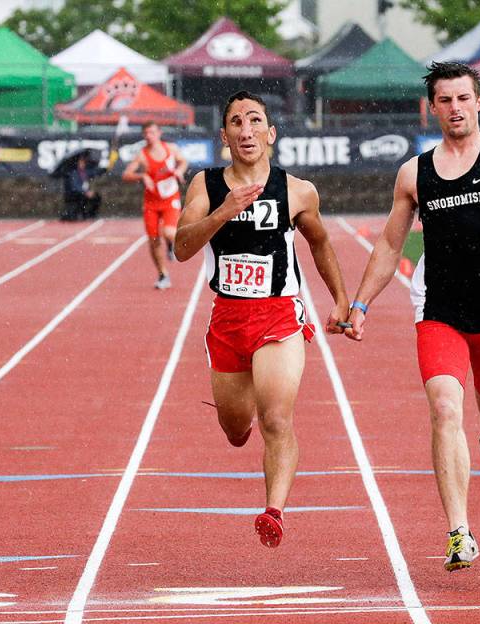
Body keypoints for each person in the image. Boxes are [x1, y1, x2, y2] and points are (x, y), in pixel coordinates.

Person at [343, 62, 480, 571]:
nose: (455, 108)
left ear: (478, 102)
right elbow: (390, 243)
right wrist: (360, 304)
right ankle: (459, 531)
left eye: (464, 98)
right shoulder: (413, 173)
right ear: (433, 107)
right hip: (438, 308)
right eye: (445, 100)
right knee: (444, 408)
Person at [174, 90, 350, 548]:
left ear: (271, 134)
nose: (246, 129)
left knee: (277, 419)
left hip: (279, 315)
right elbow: (182, 248)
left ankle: (274, 510)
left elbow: (320, 244)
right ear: (225, 135)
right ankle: (240, 420)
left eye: (255, 121)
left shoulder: (298, 190)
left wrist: (341, 300)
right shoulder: (205, 185)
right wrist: (225, 211)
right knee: (236, 431)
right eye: (236, 122)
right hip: (228, 319)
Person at [122, 121, 188, 289]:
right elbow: (126, 174)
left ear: (159, 133)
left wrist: (179, 171)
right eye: (146, 133)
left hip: (170, 199)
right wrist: (142, 176)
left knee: (169, 232)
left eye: (152, 132)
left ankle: (171, 245)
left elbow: (183, 161)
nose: (149, 136)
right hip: (151, 202)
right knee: (153, 240)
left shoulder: (171, 149)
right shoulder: (142, 155)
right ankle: (162, 274)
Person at [61, 151, 104, 221]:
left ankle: (90, 215)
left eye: (83, 162)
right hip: (75, 194)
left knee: (96, 197)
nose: (82, 164)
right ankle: (78, 214)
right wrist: (85, 192)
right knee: (80, 200)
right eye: (81, 162)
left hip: (83, 193)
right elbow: (75, 186)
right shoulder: (73, 173)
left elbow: (96, 172)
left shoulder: (86, 171)